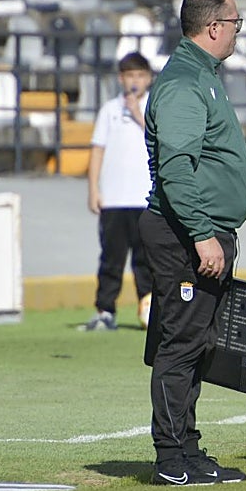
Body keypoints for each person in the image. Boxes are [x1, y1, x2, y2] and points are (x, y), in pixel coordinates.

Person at [140, 0, 246, 486]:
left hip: (200, 231)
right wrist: (204, 234)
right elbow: (176, 170)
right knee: (181, 345)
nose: (237, 33)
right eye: (235, 24)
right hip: (183, 233)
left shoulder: (203, 75)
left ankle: (189, 449)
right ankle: (170, 458)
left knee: (200, 343)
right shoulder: (186, 83)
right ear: (213, 27)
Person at [83, 51, 154, 332]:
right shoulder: (109, 110)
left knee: (146, 261)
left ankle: (149, 310)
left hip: (145, 198)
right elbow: (97, 150)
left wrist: (138, 114)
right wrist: (93, 189)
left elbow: (158, 137)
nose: (134, 81)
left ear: (148, 78)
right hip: (114, 199)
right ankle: (105, 310)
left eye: (139, 75)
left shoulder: (153, 107)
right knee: (111, 259)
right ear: (121, 79)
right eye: (129, 76)